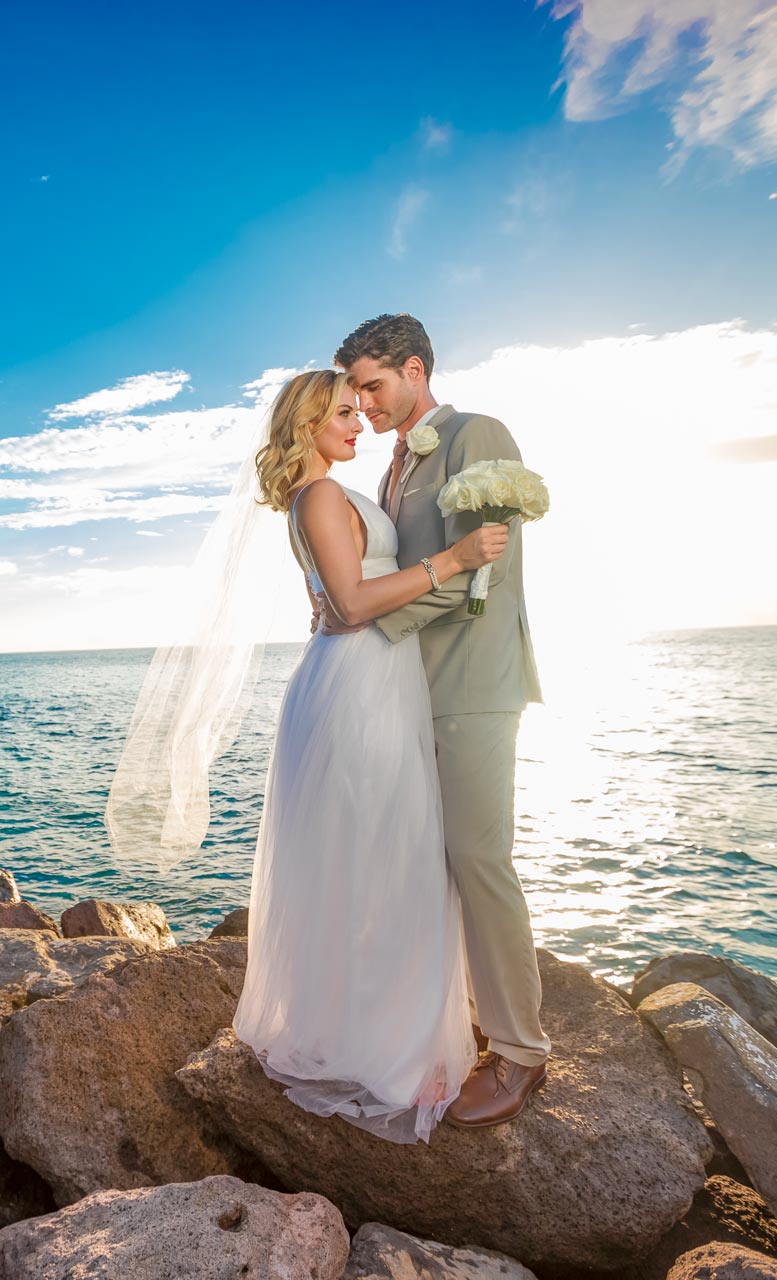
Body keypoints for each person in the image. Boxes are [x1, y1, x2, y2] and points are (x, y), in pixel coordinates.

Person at [230, 368, 509, 1142]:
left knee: (378, 856)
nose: (358, 425)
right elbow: (351, 606)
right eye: (342, 414)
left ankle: (380, 1031)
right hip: (358, 684)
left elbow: (344, 597)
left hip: (374, 680)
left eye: (360, 410)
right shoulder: (320, 495)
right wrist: (452, 562)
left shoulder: (327, 494)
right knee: (385, 859)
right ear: (307, 424)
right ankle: (387, 1052)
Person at [323, 312, 550, 1126]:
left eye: (374, 387)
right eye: (354, 393)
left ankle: (521, 1052)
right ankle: (447, 1021)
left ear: (415, 370)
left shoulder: (475, 433)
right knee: (423, 860)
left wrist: (365, 624)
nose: (365, 404)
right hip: (410, 687)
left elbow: (477, 578)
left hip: (473, 682)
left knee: (479, 857)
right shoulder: (391, 466)